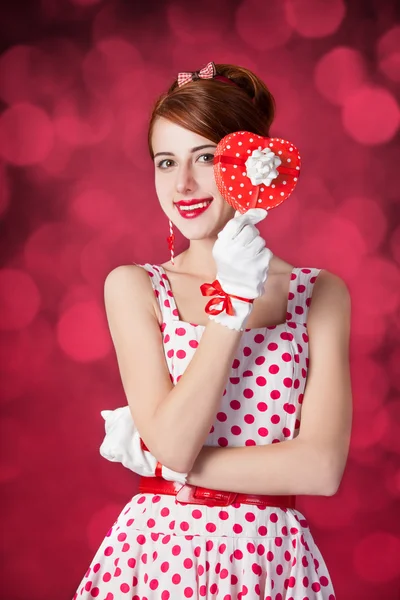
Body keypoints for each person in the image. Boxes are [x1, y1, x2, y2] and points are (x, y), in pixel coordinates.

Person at [73, 62, 352, 599]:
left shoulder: (320, 293)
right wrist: (233, 306)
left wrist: (173, 466)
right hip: (158, 557)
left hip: (272, 563)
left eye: (205, 156)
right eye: (165, 162)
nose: (183, 184)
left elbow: (320, 469)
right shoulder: (134, 287)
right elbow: (174, 442)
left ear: (254, 161)